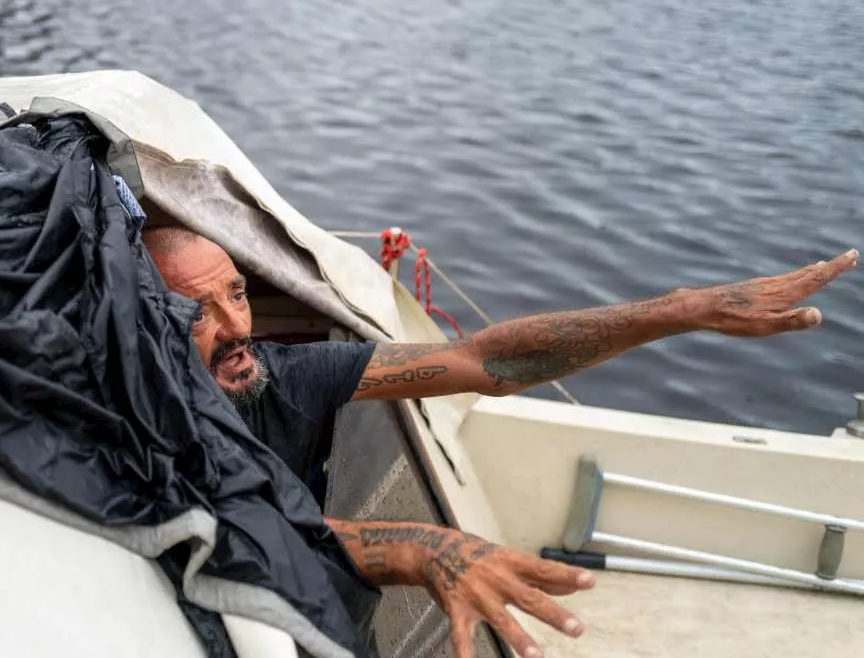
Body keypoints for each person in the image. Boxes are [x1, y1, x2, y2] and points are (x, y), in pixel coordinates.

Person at [143, 226, 857, 658]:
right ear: (143, 325)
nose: (237, 327)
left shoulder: (283, 375)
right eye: (198, 313)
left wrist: (680, 311)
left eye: (237, 294)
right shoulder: (134, 419)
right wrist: (417, 547)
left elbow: (486, 363)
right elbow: (224, 518)